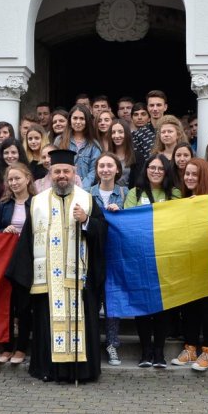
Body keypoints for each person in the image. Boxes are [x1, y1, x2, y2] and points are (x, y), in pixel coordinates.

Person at [8, 149, 105, 383]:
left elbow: (103, 234)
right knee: (47, 326)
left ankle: (81, 371)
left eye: (66, 171)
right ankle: (48, 370)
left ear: (74, 173)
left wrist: (87, 221)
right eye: (57, 171)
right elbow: (28, 241)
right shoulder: (37, 203)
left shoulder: (87, 200)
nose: (62, 175)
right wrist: (25, 276)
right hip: (47, 283)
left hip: (78, 280)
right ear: (50, 174)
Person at [124, 153, 182, 367]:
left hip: (165, 257)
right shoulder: (134, 193)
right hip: (139, 258)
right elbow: (128, 221)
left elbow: (177, 221)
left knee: (161, 307)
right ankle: (145, 352)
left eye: (160, 168)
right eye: (152, 168)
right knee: (142, 306)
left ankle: (159, 353)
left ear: (166, 172)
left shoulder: (174, 193)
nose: (156, 171)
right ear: (145, 170)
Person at [172, 159, 208, 372]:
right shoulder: (182, 198)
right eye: (187, 174)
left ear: (204, 177)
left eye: (195, 174)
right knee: (189, 305)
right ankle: (190, 347)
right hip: (188, 261)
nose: (190, 178)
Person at [0, 161, 35, 366]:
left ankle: (21, 348)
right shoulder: (4, 206)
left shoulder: (37, 203)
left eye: (17, 178)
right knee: (7, 306)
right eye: (10, 180)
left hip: (28, 262)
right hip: (7, 262)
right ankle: (7, 347)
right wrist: (4, 231)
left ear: (28, 179)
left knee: (24, 306)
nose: (14, 182)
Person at [90, 153, 128, 366]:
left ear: (117, 170)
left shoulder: (124, 194)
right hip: (93, 255)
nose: (105, 169)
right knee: (93, 301)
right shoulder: (88, 194)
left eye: (109, 166)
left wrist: (120, 212)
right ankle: (92, 343)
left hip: (115, 256)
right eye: (101, 166)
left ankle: (112, 345)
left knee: (113, 303)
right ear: (96, 170)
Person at [60, 104, 101, 187]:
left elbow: (94, 171)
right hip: (63, 187)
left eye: (82, 118)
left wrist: (82, 187)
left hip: (85, 190)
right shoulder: (60, 140)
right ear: (70, 120)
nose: (78, 122)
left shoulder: (94, 145)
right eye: (75, 118)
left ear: (87, 121)